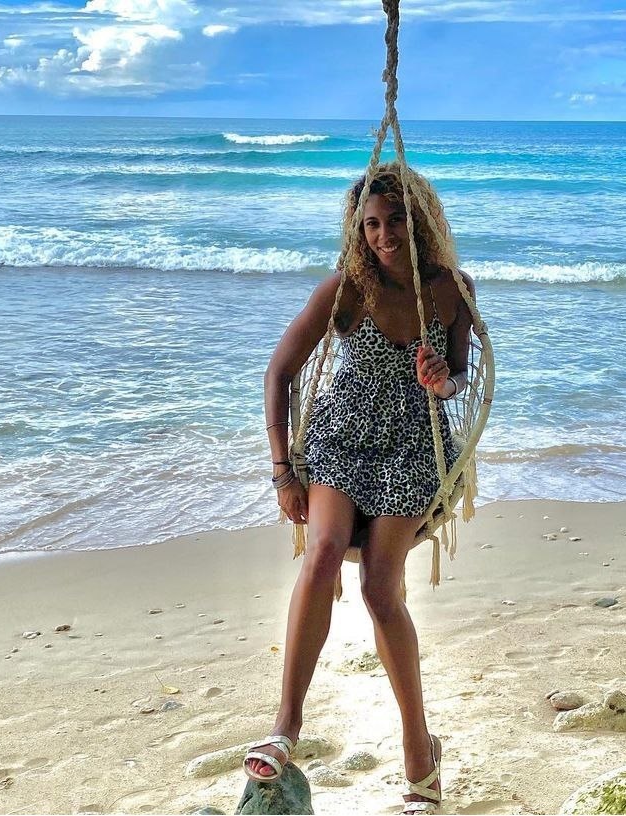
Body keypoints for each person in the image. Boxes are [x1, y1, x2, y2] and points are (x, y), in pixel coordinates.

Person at [244, 162, 475, 816]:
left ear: (420, 221)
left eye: (395, 220)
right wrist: (282, 470)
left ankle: (418, 754)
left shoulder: (451, 290)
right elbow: (279, 371)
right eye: (370, 224)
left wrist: (442, 380)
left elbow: (461, 377)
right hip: (340, 439)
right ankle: (285, 726)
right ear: (357, 228)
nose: (383, 235)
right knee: (321, 553)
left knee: (378, 588)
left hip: (412, 444)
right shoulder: (345, 289)